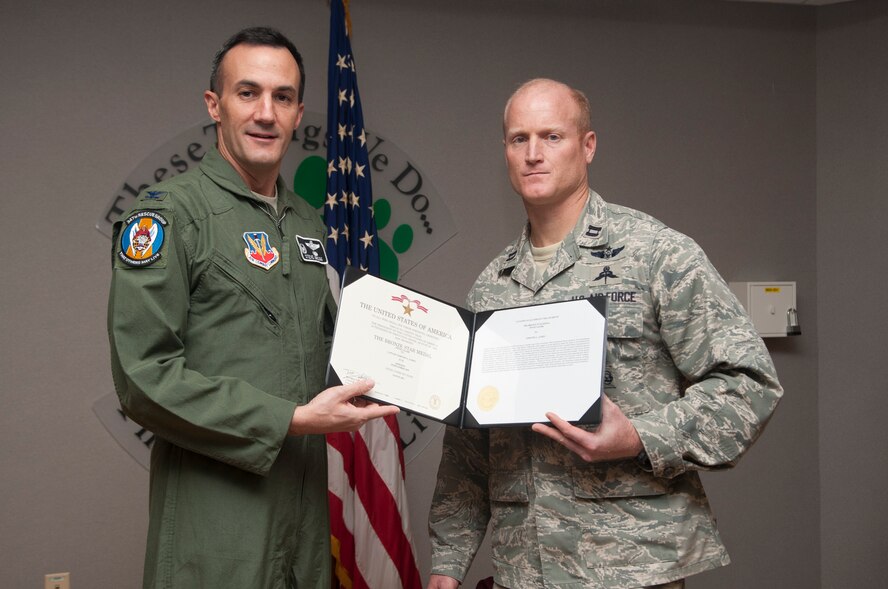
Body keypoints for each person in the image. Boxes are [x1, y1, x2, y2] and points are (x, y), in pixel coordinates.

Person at [426, 79, 782, 589]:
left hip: (632, 566)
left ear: (587, 146)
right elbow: (468, 445)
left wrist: (641, 437)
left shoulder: (657, 254)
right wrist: (449, 560)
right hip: (524, 569)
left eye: (551, 136)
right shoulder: (491, 287)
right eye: (518, 139)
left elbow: (749, 385)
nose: (532, 154)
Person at [107, 27, 398, 589]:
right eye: (248, 93)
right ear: (214, 106)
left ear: (298, 112)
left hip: (305, 524)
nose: (266, 112)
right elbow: (143, 379)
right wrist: (289, 420)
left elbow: (329, 348)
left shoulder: (308, 222)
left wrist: (420, 367)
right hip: (216, 526)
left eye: (282, 97)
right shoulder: (170, 217)